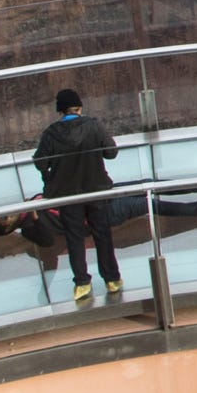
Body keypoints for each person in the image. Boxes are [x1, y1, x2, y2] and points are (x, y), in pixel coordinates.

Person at [32, 87, 125, 303]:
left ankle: (82, 283)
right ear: (79, 107)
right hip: (96, 189)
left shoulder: (51, 133)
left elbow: (41, 162)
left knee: (74, 238)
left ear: (60, 111)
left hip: (67, 195)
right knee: (102, 234)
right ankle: (112, 279)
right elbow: (111, 152)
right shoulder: (94, 126)